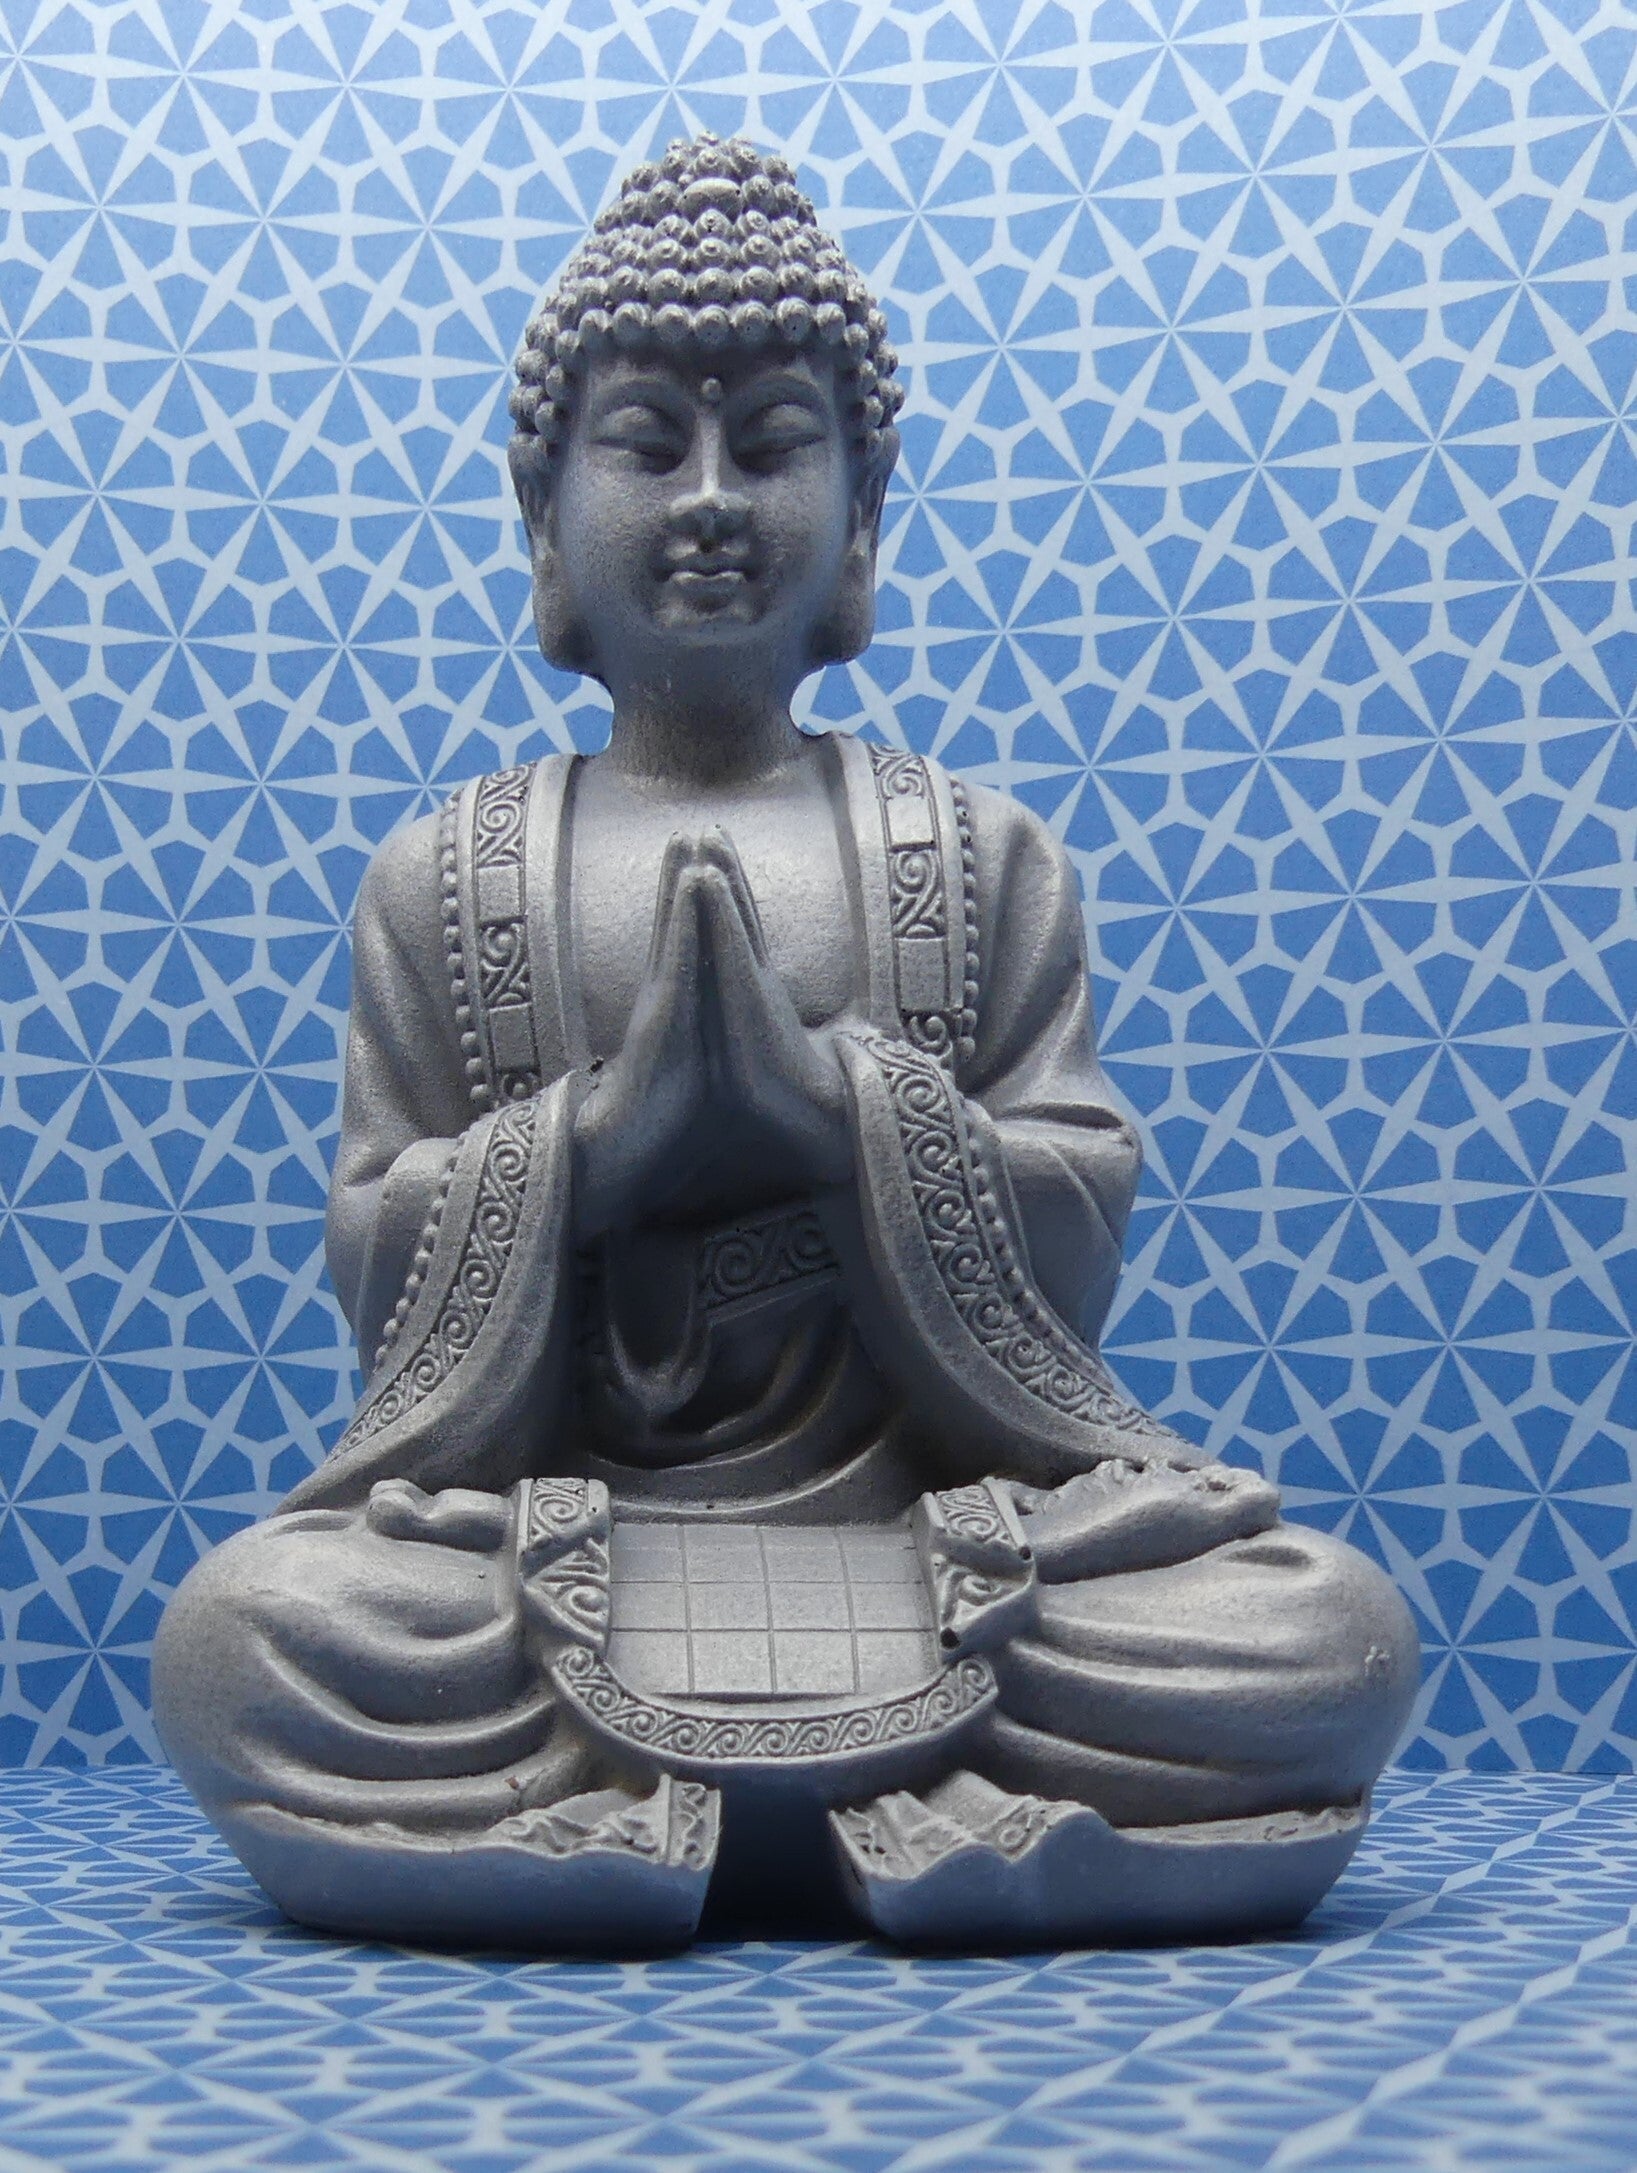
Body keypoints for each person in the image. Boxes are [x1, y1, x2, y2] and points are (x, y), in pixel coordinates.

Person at [152, 134, 1418, 1950]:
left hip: (948, 1555)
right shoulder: (447, 873)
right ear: (542, 515)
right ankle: (891, 1816)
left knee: (1319, 1628)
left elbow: (1078, 1214)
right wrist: (598, 1144)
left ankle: (619, 1820)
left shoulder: (976, 855)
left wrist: (836, 1111)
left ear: (864, 506)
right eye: (644, 443)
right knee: (247, 1633)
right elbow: (371, 1238)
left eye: (772, 444)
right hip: (553, 1558)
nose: (709, 500)